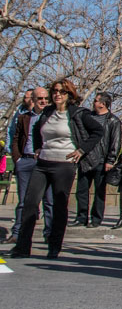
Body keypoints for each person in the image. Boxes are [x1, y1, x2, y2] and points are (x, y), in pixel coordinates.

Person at [7, 79, 104, 259]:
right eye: (55, 91)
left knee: (59, 205)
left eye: (62, 91)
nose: (57, 94)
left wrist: (81, 150)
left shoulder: (77, 113)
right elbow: (37, 129)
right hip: (43, 163)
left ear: (69, 94)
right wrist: (37, 147)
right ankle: (22, 247)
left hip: (64, 164)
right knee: (30, 203)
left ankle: (54, 245)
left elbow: (98, 131)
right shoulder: (47, 112)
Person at [5, 87, 54, 245]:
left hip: (45, 161)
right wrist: (17, 159)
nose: (43, 101)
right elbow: (15, 137)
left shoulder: (52, 117)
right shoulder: (23, 118)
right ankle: (18, 233)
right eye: (39, 98)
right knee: (23, 201)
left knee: (49, 200)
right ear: (33, 100)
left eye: (46, 98)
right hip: (26, 161)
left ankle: (50, 233)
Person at [74, 91, 122, 228]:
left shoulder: (113, 121)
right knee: (81, 190)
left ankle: (96, 219)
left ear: (103, 104)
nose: (93, 102)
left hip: (101, 160)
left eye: (96, 100)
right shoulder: (87, 117)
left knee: (99, 191)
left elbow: (116, 142)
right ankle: (81, 217)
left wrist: (110, 160)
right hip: (85, 158)